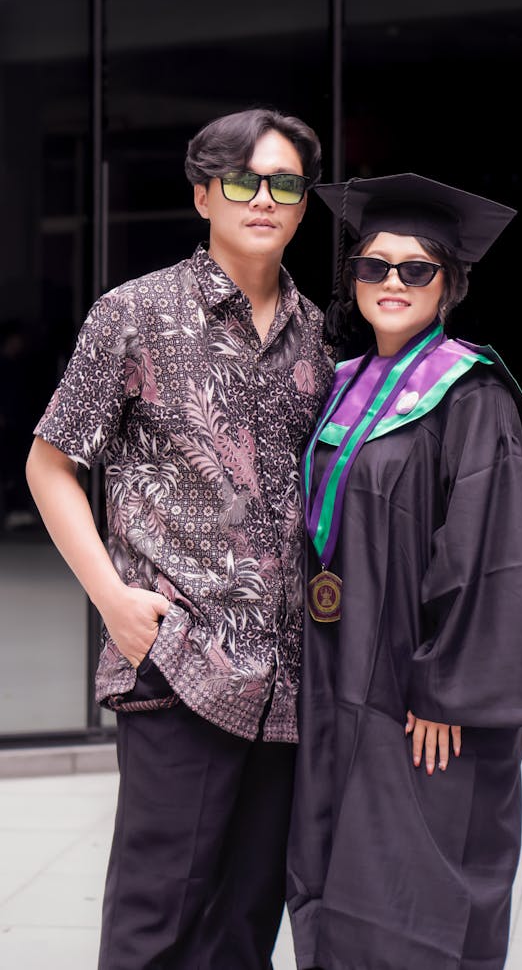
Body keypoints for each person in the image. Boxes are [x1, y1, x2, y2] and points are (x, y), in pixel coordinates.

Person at [25, 108, 335, 970]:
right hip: (180, 660)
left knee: (245, 925)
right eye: (242, 181)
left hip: (288, 681)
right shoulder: (136, 313)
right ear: (204, 195)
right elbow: (49, 466)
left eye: (284, 184)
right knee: (155, 920)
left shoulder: (320, 335)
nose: (263, 198)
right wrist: (115, 605)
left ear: (305, 206)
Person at [287, 173, 522, 970]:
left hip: (415, 690)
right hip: (335, 675)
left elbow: (487, 549)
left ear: (451, 284)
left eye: (416, 269)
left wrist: (449, 689)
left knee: (410, 881)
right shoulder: (337, 386)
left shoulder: (473, 396)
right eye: (373, 267)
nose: (391, 283)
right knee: (328, 867)